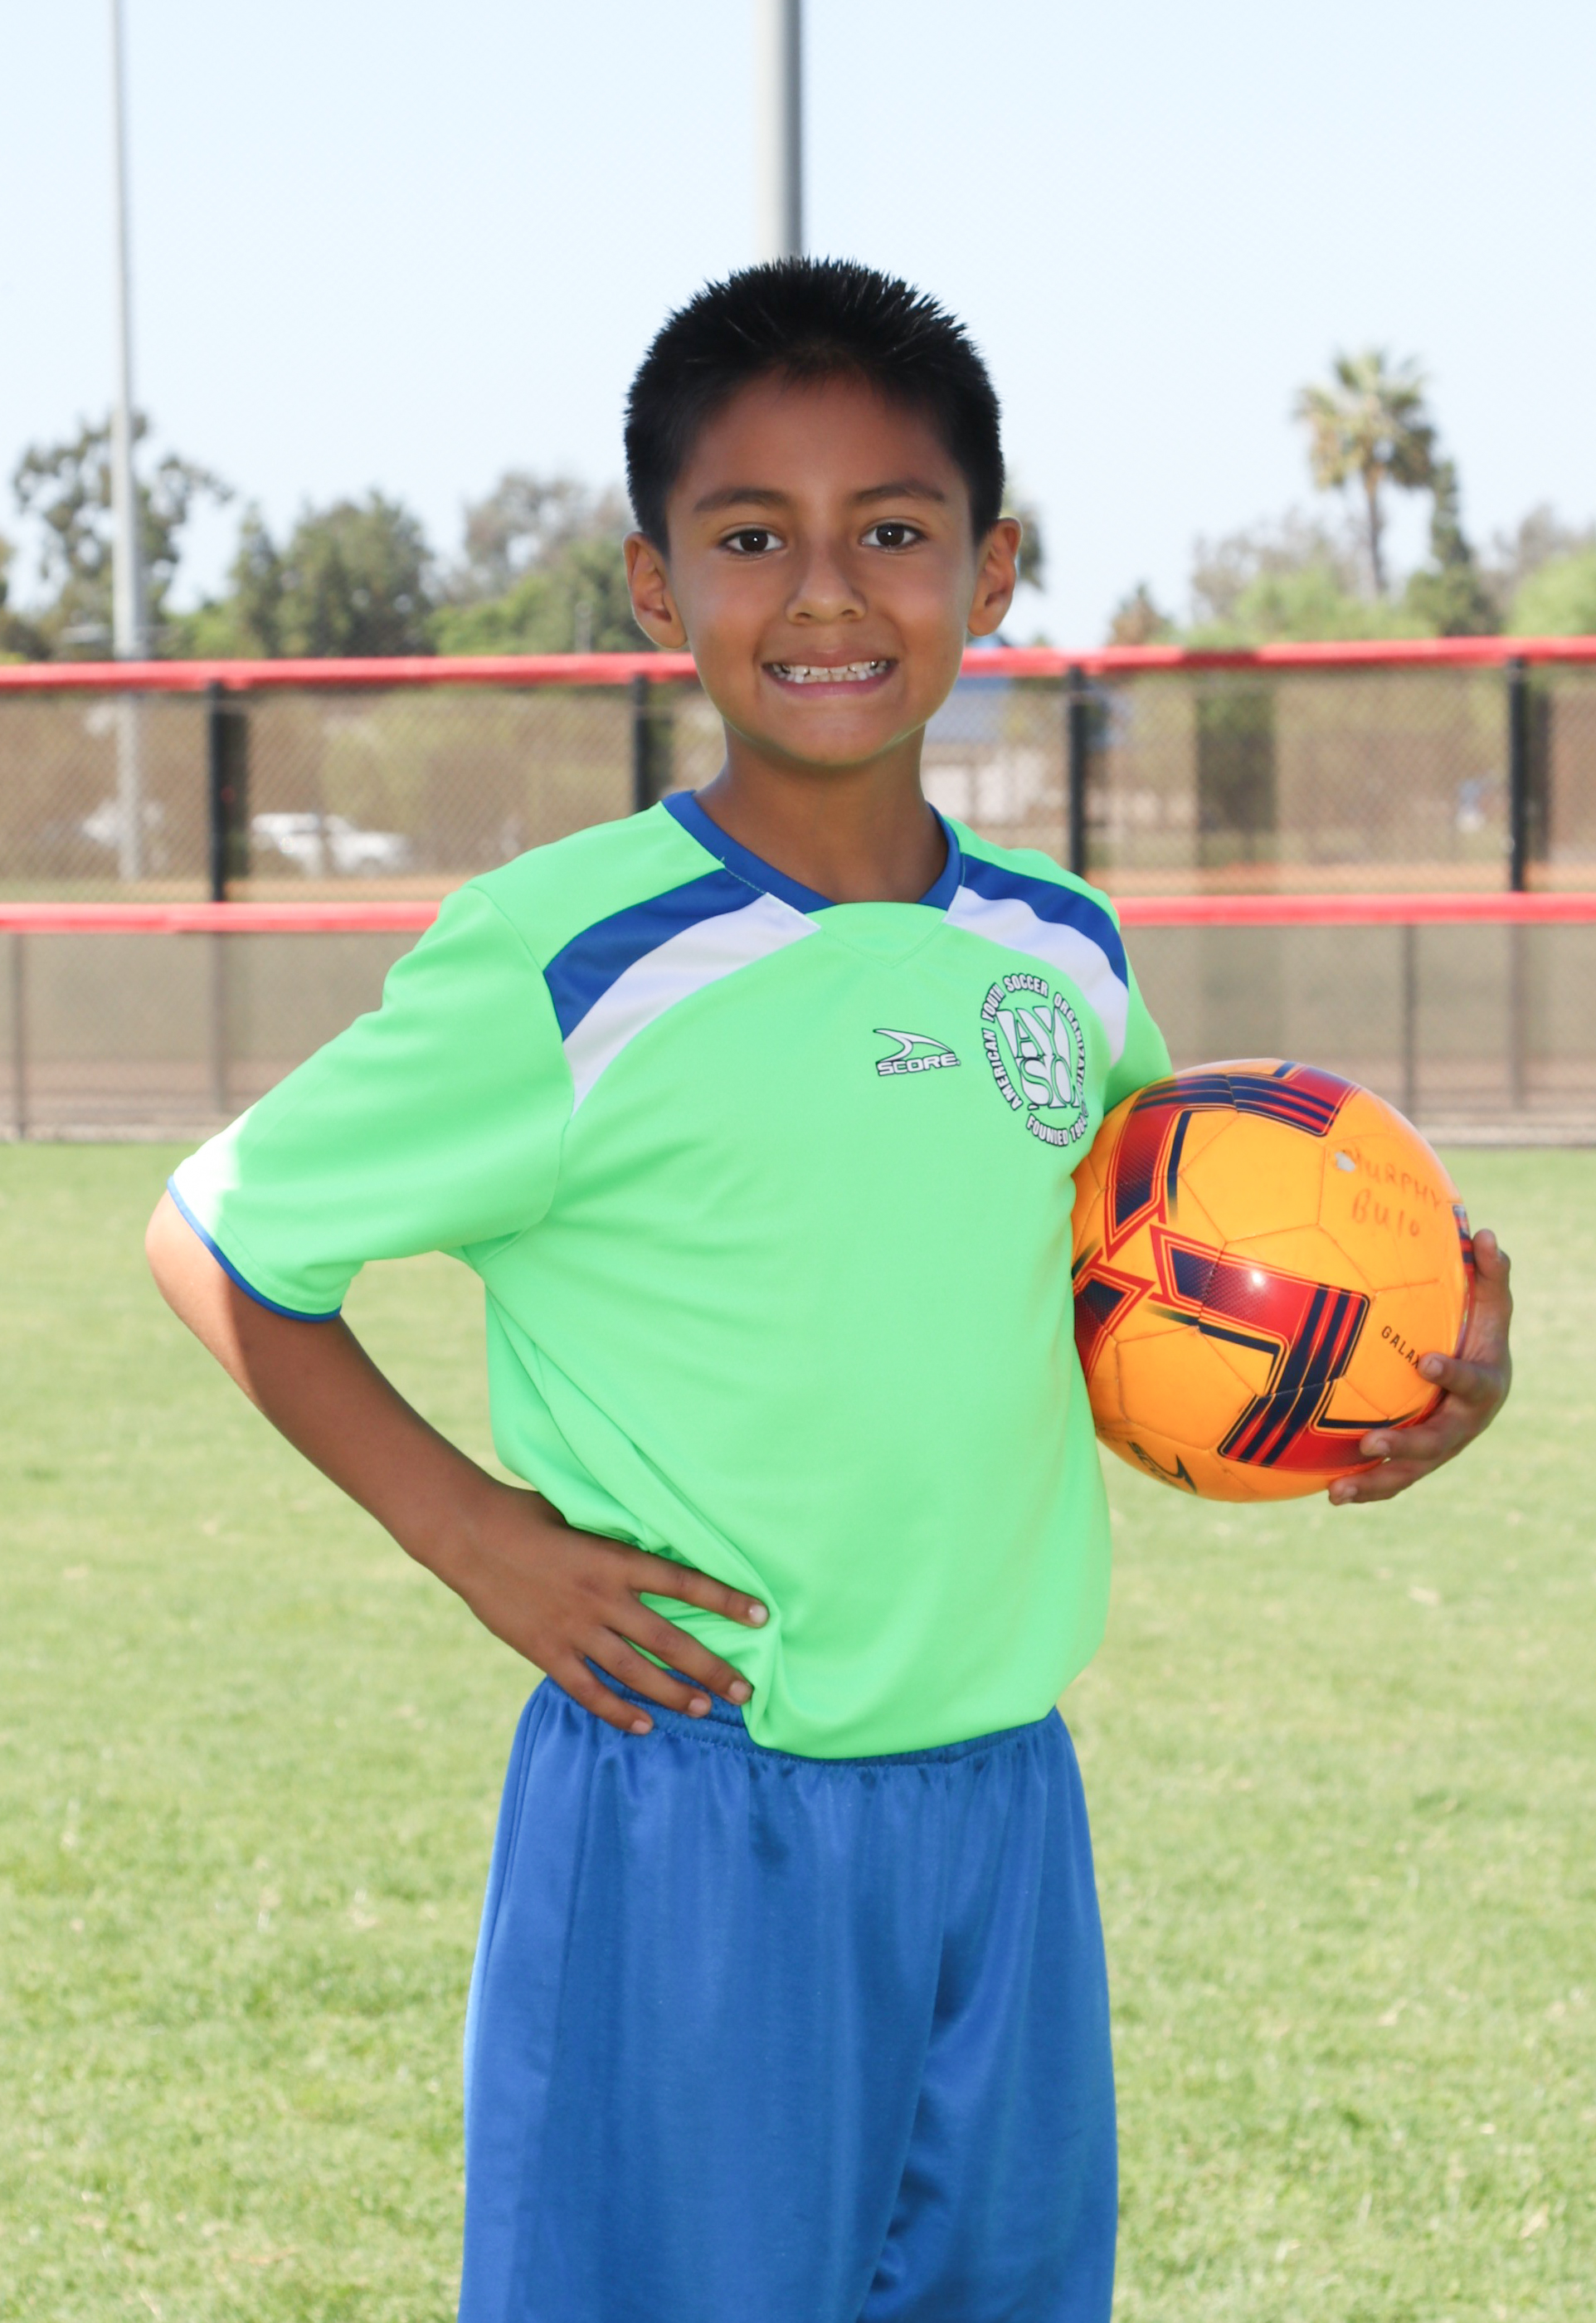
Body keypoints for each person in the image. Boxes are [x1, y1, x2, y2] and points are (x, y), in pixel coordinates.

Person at [145, 260, 1513, 2323]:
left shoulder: (1060, 950)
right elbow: (222, 1234)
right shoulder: (569, 956)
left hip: (1000, 1797)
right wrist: (473, 1535)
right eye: (747, 537)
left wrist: (1400, 1372)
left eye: (888, 529)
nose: (822, 593)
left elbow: (1153, 1275)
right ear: (651, 585)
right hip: (695, 1800)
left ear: (990, 571)